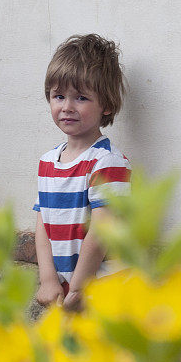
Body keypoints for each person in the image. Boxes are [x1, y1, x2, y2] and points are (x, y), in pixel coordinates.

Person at [33, 34, 131, 312]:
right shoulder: (48, 162)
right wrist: (48, 279)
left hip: (100, 287)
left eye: (81, 98)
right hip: (65, 290)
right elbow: (43, 224)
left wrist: (79, 287)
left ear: (107, 105)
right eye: (59, 96)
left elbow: (102, 230)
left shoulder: (108, 163)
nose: (67, 107)